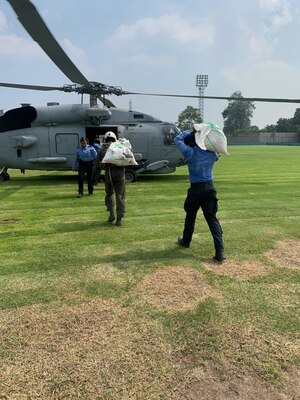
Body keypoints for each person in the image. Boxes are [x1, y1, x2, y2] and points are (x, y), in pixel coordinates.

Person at [174, 126, 225, 262]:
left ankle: (186, 241)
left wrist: (190, 131)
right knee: (212, 219)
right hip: (209, 188)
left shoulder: (189, 153)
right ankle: (220, 252)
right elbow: (216, 156)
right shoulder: (211, 154)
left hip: (195, 190)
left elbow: (177, 139)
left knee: (190, 217)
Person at [93, 131, 126, 226]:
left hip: (109, 174)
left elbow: (96, 164)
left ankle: (111, 213)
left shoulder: (103, 148)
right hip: (120, 174)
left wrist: (94, 176)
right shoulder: (120, 147)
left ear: (106, 139)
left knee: (109, 194)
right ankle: (119, 218)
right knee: (120, 196)